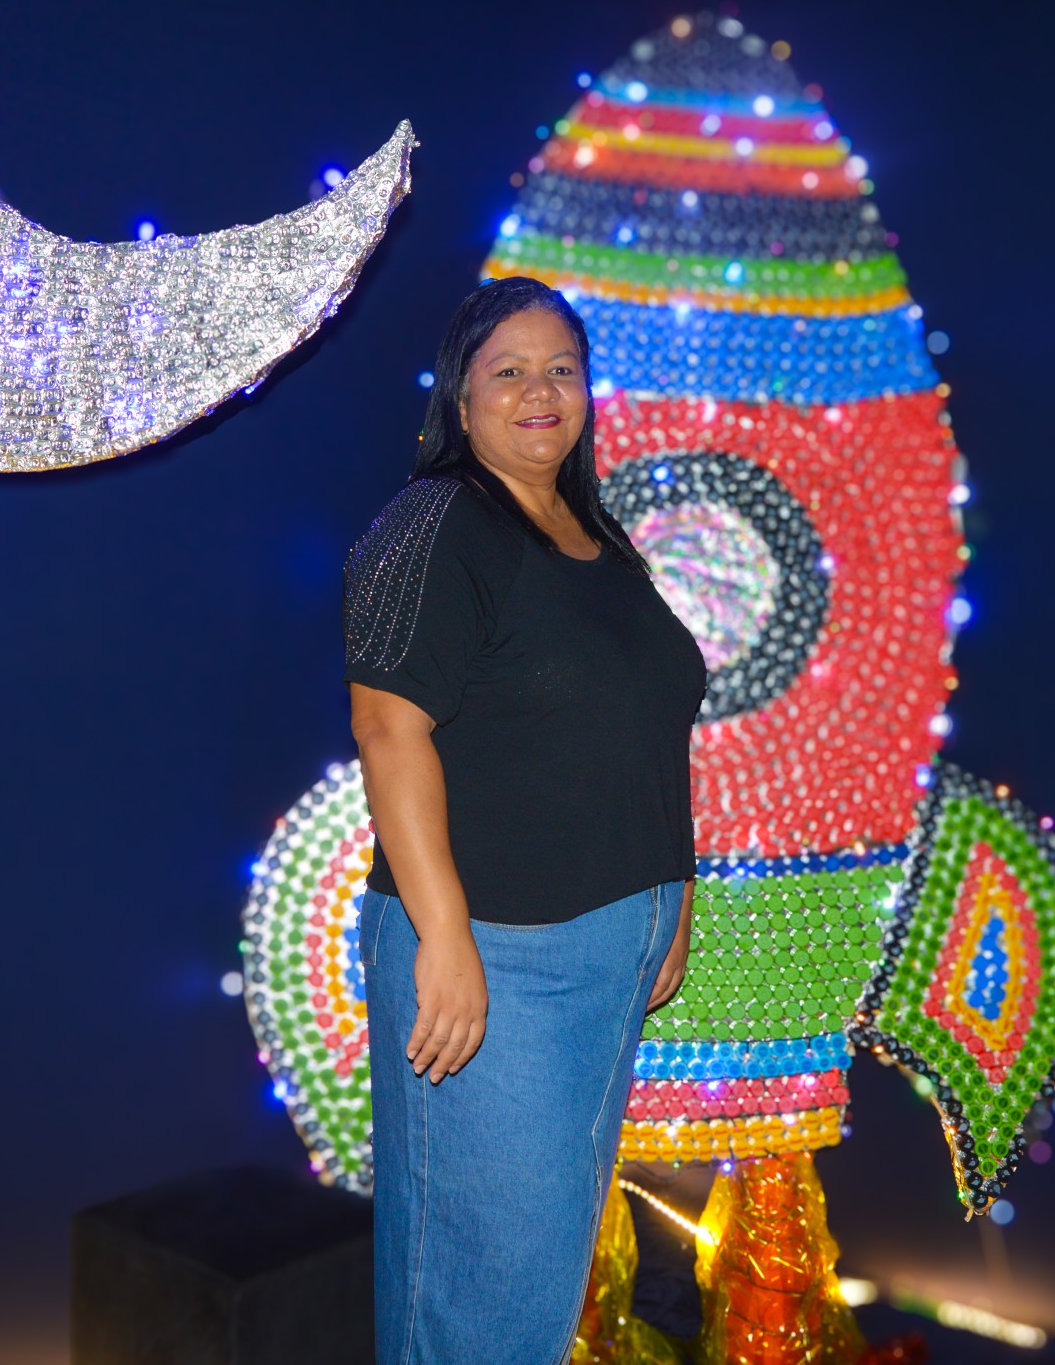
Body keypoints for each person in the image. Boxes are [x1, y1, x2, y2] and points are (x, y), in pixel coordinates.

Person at [345, 276, 706, 1362]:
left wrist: (671, 899)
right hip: (497, 959)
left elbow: (645, 727)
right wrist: (444, 936)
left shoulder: (592, 535)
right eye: (508, 371)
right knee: (475, 1304)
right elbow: (387, 726)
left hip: (604, 956)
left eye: (561, 369)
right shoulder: (435, 522)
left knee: (535, 1294)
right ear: (461, 397)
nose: (539, 391)